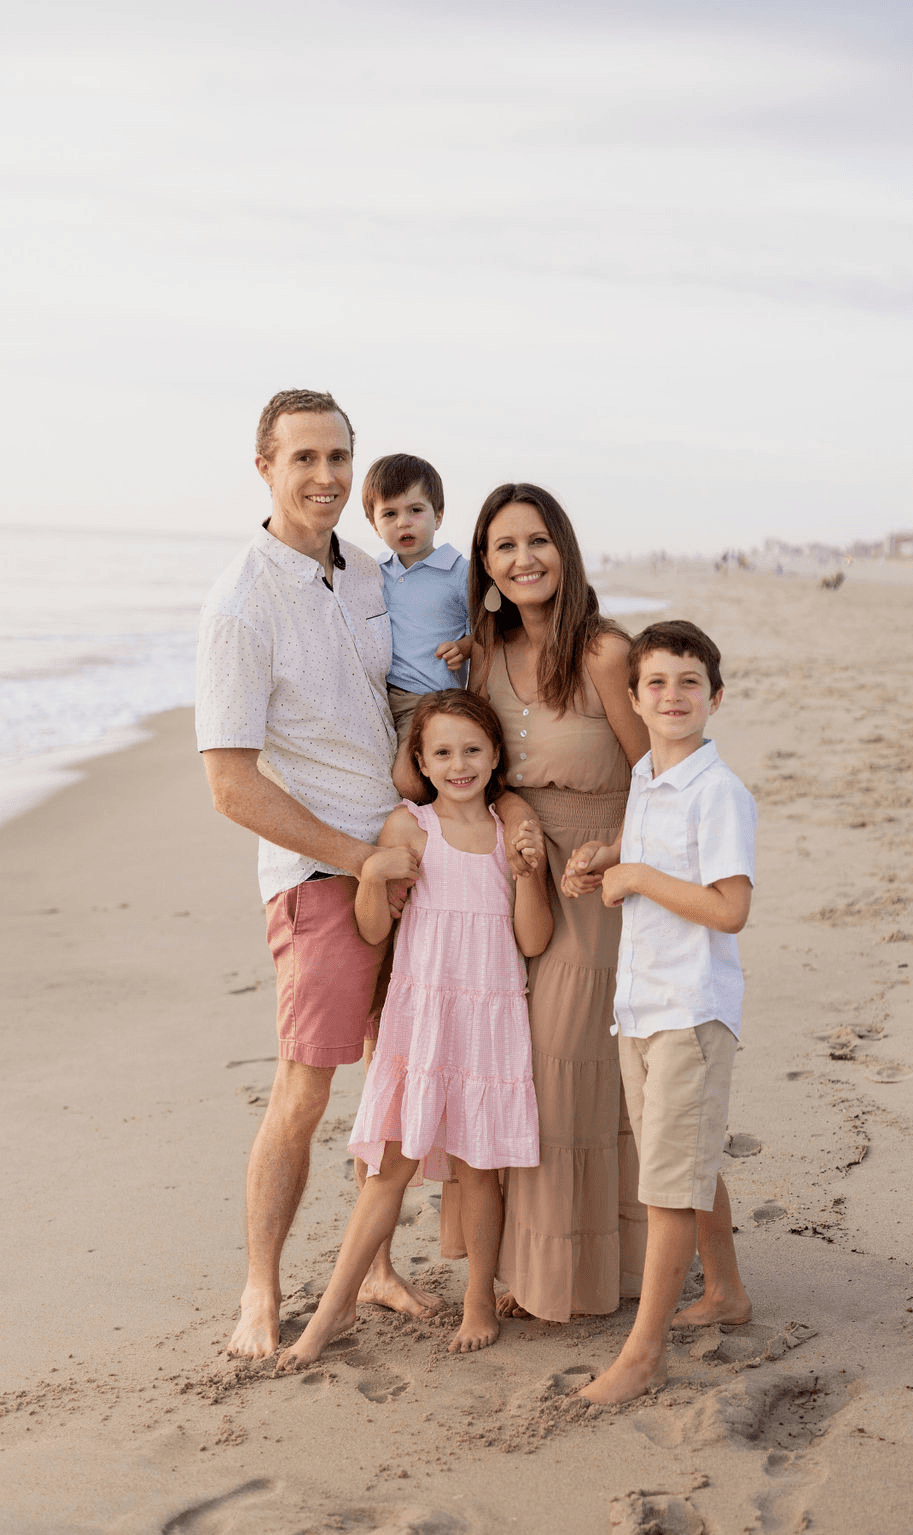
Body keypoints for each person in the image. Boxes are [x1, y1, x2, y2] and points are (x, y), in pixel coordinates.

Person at [196, 389, 436, 1359]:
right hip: (319, 874)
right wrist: (357, 857)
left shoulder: (376, 576)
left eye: (340, 456)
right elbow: (229, 783)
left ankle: (372, 1264)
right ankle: (259, 1289)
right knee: (305, 1089)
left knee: (394, 1078)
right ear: (265, 467)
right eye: (305, 458)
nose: (327, 475)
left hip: (402, 858)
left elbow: (397, 698)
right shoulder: (240, 601)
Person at [277, 690, 552, 1370]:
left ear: (494, 754)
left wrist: (530, 875)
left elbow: (534, 937)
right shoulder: (409, 826)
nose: (459, 764)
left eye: (472, 750)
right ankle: (328, 1314)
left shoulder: (506, 831)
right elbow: (374, 928)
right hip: (422, 1020)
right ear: (421, 762)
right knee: (386, 1170)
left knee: (480, 1168)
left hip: (488, 1016)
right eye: (442, 753)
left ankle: (479, 1300)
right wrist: (372, 872)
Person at [448, 482, 650, 1323]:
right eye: (503, 546)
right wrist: (520, 817)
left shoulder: (606, 652)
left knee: (562, 1062)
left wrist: (617, 856)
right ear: (486, 565)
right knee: (515, 1061)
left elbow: (658, 774)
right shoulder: (482, 654)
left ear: (563, 550)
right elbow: (481, 768)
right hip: (516, 868)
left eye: (537, 540)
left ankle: (566, 1275)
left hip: (600, 874)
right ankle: (533, 1265)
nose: (522, 558)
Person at [563, 619, 756, 1403]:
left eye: (688, 682)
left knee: (669, 1183)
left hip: (690, 1008)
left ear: (715, 695)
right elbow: (647, 851)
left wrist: (636, 875)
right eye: (656, 684)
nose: (673, 695)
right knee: (683, 1158)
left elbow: (729, 907)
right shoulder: (648, 777)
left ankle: (643, 1353)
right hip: (639, 1004)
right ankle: (728, 1291)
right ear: (635, 699)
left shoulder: (719, 791)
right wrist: (609, 857)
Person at [362, 453, 473, 799]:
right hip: (382, 697)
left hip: (433, 699)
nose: (403, 523)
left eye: (415, 511)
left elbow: (488, 630)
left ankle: (433, 828)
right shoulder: (375, 572)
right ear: (374, 524)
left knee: (409, 781)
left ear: (438, 516)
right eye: (390, 514)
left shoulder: (458, 572)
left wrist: (465, 647)